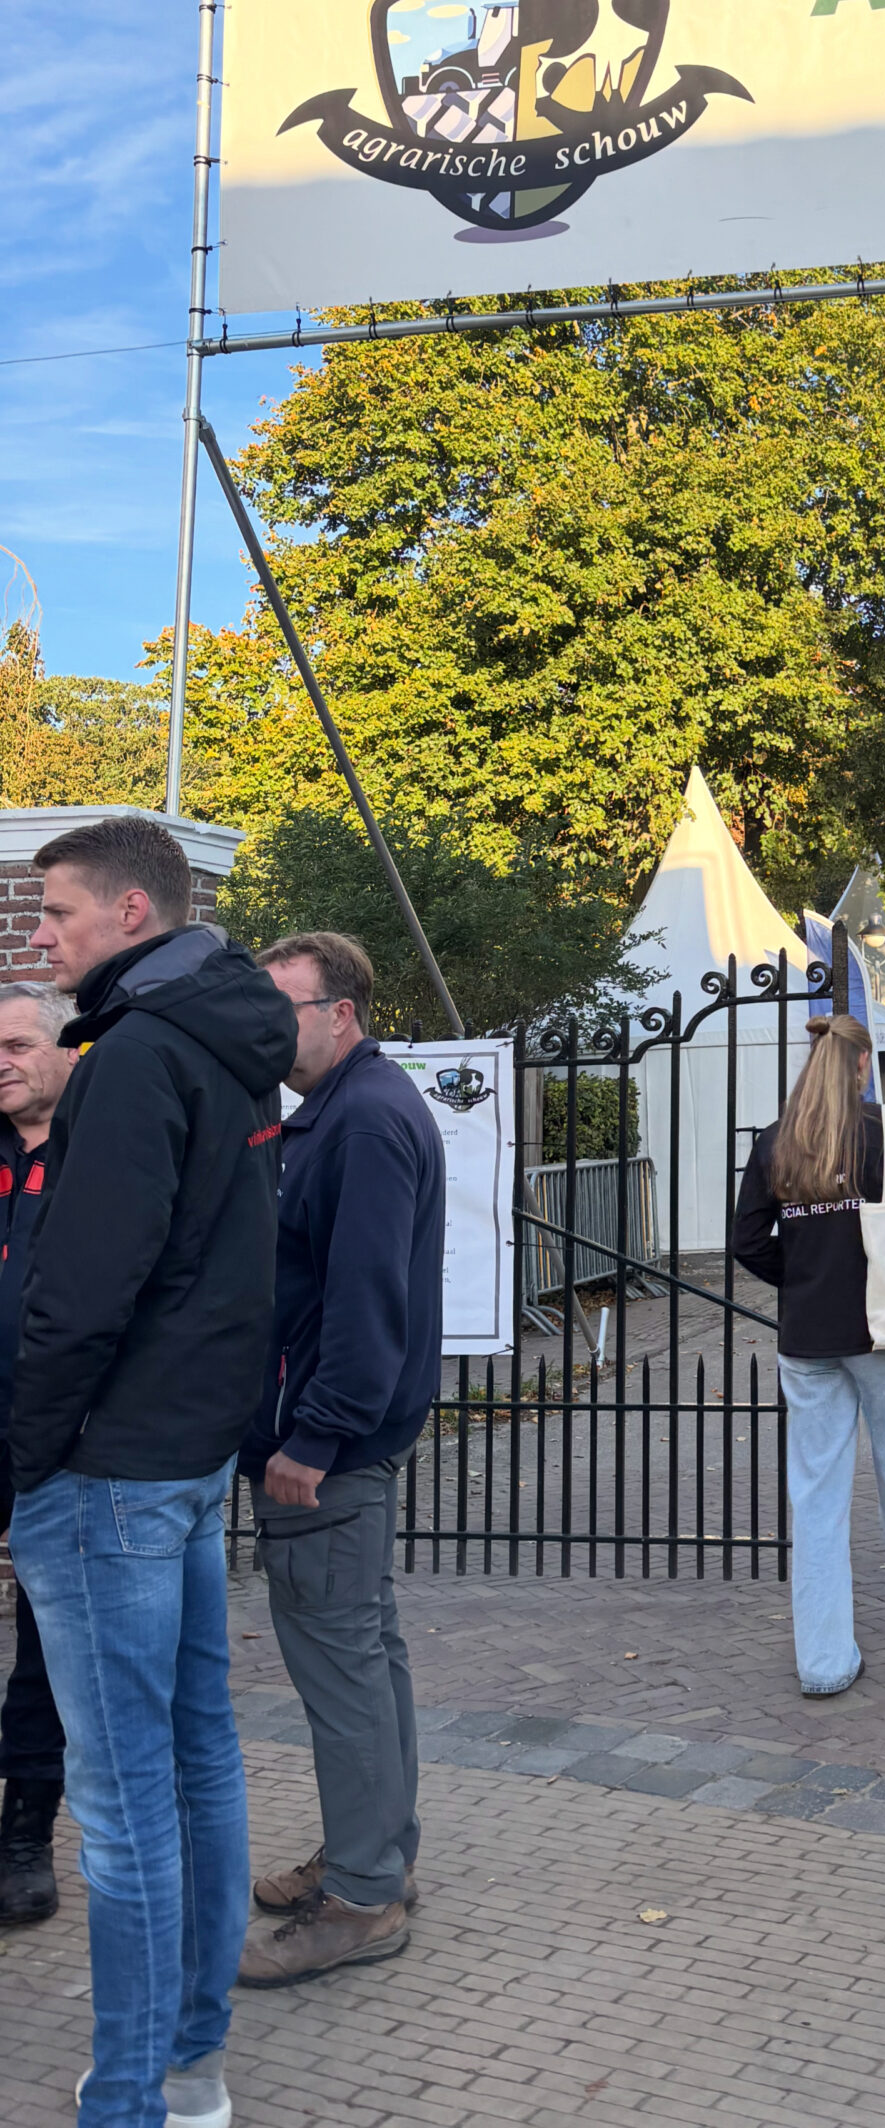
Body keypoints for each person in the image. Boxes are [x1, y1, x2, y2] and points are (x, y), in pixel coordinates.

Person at [8, 817, 296, 2128]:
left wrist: (18, 1464)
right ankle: (190, 2068)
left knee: (126, 1817)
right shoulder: (234, 1048)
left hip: (113, 1471)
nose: (37, 934)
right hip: (177, 1460)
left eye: (55, 911)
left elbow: (80, 1296)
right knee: (198, 1761)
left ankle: (131, 2098)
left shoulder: (134, 1059)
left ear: (131, 913)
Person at [234, 933, 446, 1989]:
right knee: (368, 1651)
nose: (274, 1030)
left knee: (344, 1666)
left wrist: (313, 1434)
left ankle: (363, 1894)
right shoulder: (357, 1105)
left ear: (342, 1013)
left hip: (330, 1447)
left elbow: (367, 1300)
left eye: (288, 1009)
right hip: (346, 1436)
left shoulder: (361, 1118)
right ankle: (375, 1851)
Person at [733, 1016, 885, 1695]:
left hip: (807, 1335)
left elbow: (748, 1241)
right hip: (882, 1327)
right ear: (862, 1064)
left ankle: (825, 1661)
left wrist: (803, 1276)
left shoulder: (777, 1140)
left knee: (816, 1499)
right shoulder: (884, 1131)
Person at [0, 982, 77, 1924]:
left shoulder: (100, 1157)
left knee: (47, 1640)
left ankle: (26, 1836)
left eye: (19, 1043)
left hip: (63, 1434)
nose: (3, 1060)